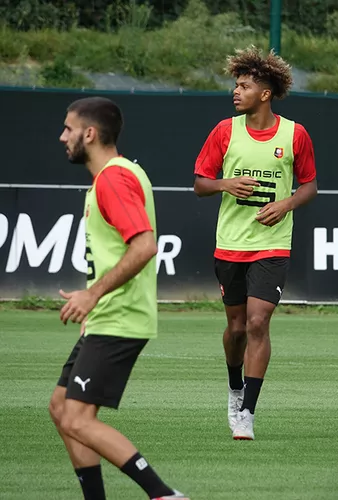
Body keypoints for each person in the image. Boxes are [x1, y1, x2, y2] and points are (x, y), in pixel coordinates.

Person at [49, 96, 189, 500]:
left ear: (90, 134)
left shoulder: (114, 178)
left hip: (119, 317)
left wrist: (92, 294)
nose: (62, 136)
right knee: (61, 408)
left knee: (77, 418)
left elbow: (145, 246)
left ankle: (164, 495)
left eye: (68, 128)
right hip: (108, 316)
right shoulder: (116, 175)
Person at [194, 46, 317, 440]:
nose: (236, 91)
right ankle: (235, 387)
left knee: (258, 322)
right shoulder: (224, 131)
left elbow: (309, 186)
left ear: (265, 94)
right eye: (236, 85)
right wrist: (225, 184)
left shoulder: (294, 134)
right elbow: (200, 184)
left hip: (273, 244)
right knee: (236, 329)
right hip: (230, 243)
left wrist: (286, 204)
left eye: (244, 86)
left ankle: (247, 411)